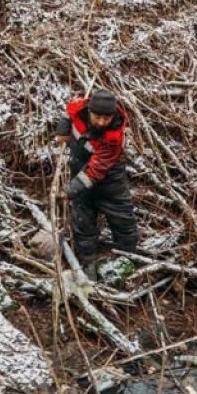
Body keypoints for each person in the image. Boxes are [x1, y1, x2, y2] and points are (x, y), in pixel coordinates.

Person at [55, 90, 139, 278]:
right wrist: (63, 130)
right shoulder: (78, 109)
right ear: (89, 111)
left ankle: (128, 261)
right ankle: (87, 265)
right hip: (80, 175)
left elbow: (95, 172)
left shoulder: (113, 137)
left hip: (109, 181)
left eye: (106, 118)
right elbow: (67, 113)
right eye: (97, 117)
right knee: (82, 223)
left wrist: (69, 190)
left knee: (123, 221)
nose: (101, 122)